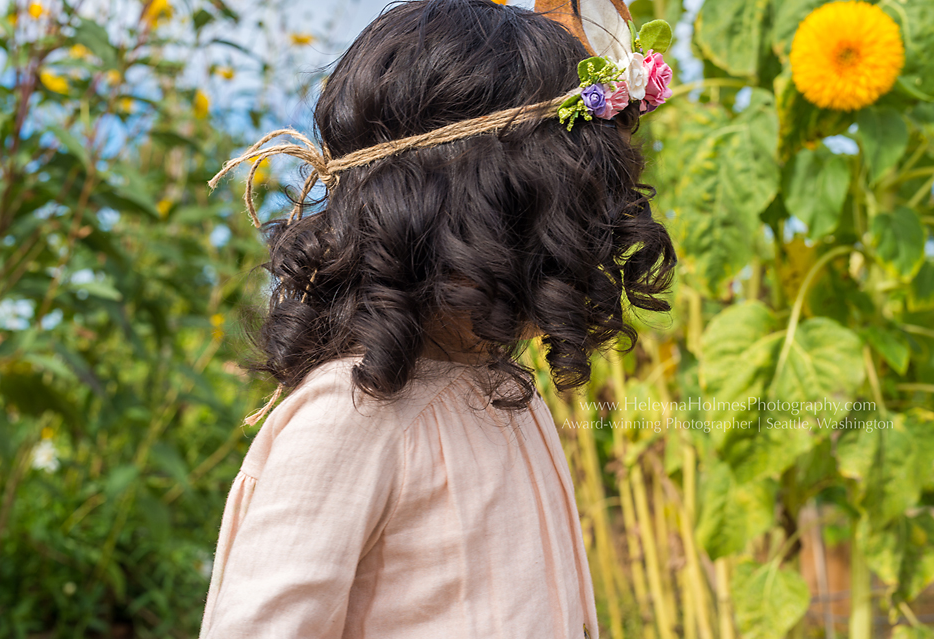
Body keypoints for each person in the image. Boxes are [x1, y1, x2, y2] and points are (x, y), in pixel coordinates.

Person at [199, 0, 676, 637]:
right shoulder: (351, 420)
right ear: (490, 213)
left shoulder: (509, 397)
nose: (596, 244)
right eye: (581, 214)